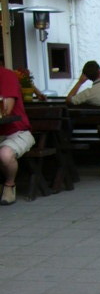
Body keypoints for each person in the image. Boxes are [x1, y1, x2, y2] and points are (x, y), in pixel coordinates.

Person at [0, 61, 35, 206]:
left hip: (16, 132)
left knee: (5, 154)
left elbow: (6, 110)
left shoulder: (6, 76)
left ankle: (9, 184)